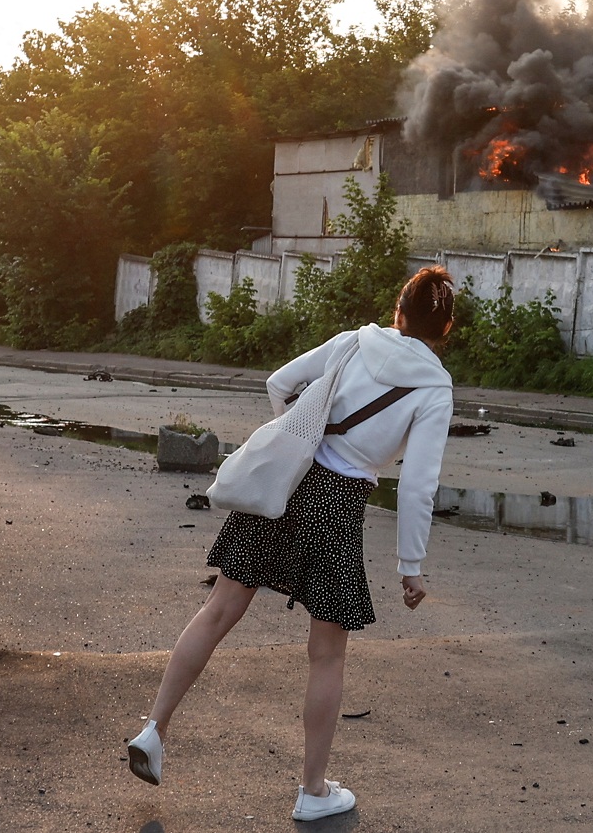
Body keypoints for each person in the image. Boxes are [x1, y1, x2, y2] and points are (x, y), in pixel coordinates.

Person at [125, 266, 457, 822]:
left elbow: (279, 383)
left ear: (399, 310)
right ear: (444, 330)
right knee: (326, 655)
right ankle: (312, 790)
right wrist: (411, 567)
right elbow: (419, 484)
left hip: (285, 485)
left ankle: (154, 729)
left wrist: (298, 442)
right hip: (337, 506)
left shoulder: (354, 342)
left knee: (218, 610)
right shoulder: (435, 389)